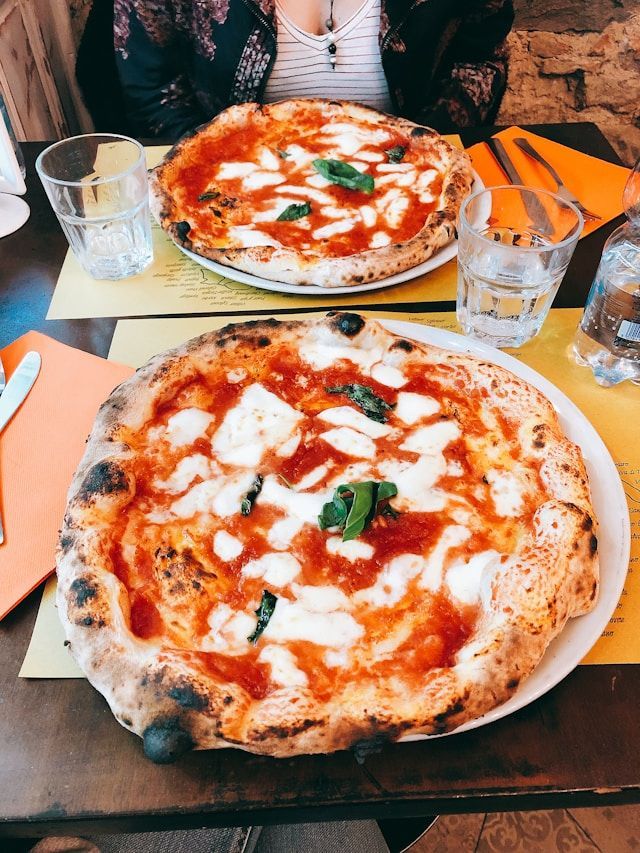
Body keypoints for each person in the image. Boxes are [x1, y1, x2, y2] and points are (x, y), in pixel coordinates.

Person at [110, 0, 514, 139]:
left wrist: (421, 153)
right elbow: (152, 91)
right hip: (229, 202)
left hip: (409, 197)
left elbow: (482, 54)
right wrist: (224, 167)